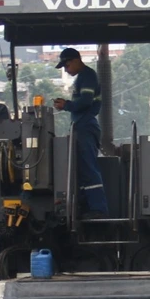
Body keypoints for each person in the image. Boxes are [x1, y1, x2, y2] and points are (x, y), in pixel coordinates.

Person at [53, 47, 108, 220]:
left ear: (77, 60)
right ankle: (86, 207)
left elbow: (85, 101)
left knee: (88, 167)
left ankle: (99, 209)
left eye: (67, 65)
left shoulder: (88, 76)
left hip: (86, 125)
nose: (66, 69)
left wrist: (66, 105)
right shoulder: (81, 78)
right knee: (82, 170)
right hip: (80, 125)